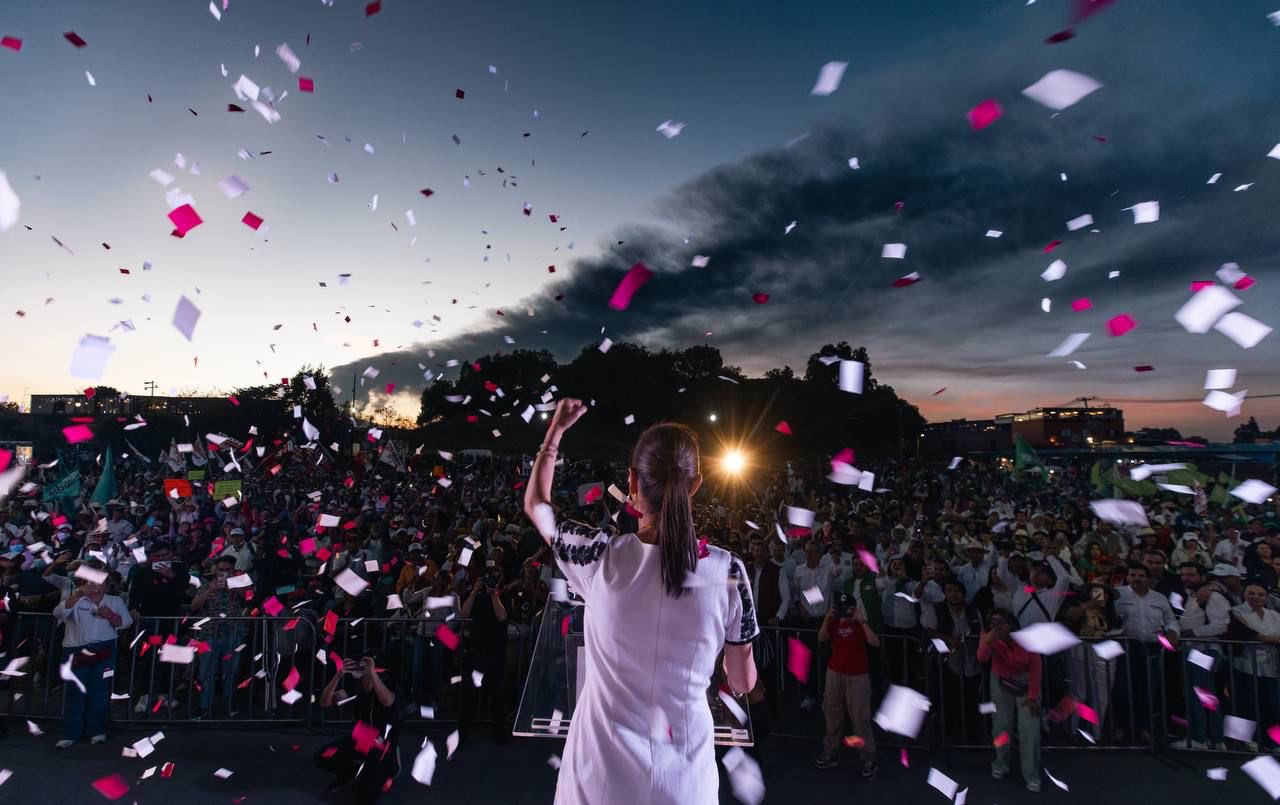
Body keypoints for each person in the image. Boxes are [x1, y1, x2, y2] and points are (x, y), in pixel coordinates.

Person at [523, 399, 758, 805]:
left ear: (632, 482)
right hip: (685, 786)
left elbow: (537, 507)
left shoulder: (599, 557)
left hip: (597, 782)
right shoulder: (728, 573)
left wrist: (555, 432)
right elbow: (742, 682)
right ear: (695, 485)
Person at [52, 560, 133, 748]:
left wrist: (111, 616)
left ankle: (97, 730)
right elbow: (58, 613)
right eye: (91, 581)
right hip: (75, 651)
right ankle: (71, 732)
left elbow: (126, 622)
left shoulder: (115, 601)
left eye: (100, 581)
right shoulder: (75, 599)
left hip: (104, 650)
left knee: (100, 691)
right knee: (75, 692)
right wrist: (79, 594)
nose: (96, 585)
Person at [316, 653, 400, 804]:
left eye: (368, 666)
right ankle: (350, 773)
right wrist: (338, 676)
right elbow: (324, 702)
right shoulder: (355, 687)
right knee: (322, 756)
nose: (365, 672)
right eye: (363, 666)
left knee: (364, 796)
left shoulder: (387, 683)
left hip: (383, 744)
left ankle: (384, 770)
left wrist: (372, 674)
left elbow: (388, 701)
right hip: (362, 737)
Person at [813, 591, 879, 780]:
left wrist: (861, 620)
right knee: (832, 714)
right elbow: (821, 638)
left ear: (854, 608)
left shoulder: (859, 624)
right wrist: (827, 619)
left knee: (860, 718)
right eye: (840, 608)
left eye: (847, 608)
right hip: (834, 673)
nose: (844, 612)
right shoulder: (833, 622)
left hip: (858, 675)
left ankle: (868, 758)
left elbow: (875, 642)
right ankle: (830, 752)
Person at [978, 609, 1042, 793]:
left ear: (1010, 624)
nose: (996, 626)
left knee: (1029, 728)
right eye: (993, 622)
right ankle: (1000, 763)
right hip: (1000, 681)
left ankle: (1031, 773)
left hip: (1026, 681)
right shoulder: (988, 635)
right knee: (1001, 725)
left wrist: (1032, 697)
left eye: (1000, 622)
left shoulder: (1026, 639)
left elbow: (1036, 667)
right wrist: (988, 642)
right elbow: (982, 658)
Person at [1227, 583, 1280, 751]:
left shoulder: (1274, 615)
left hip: (1271, 666)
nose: (1256, 597)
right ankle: (1241, 740)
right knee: (1244, 703)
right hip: (1245, 664)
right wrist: (1267, 638)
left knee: (1271, 704)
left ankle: (1271, 741)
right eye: (1251, 593)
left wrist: (1264, 638)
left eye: (1260, 594)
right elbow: (1247, 634)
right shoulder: (1236, 611)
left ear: (1266, 597)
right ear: (1244, 594)